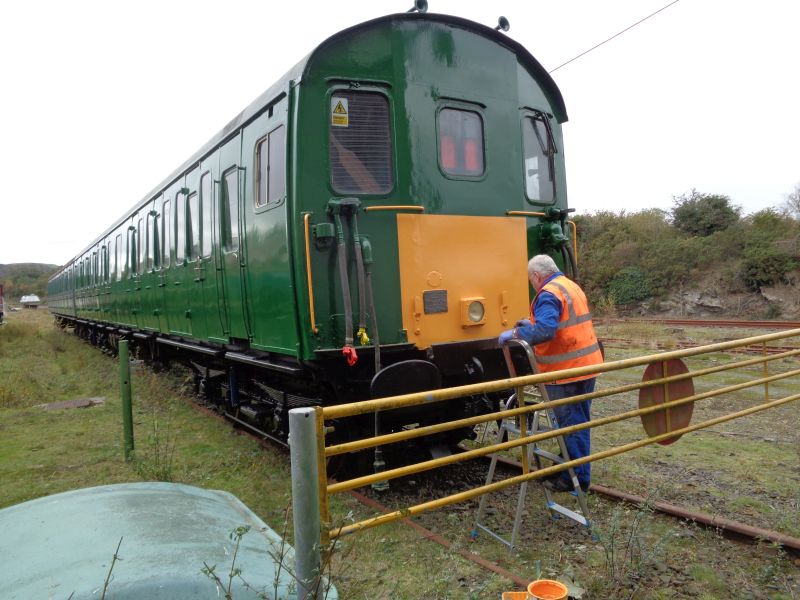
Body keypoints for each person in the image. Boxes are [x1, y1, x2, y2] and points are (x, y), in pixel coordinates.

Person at [498, 254, 603, 493]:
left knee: (570, 424)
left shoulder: (547, 293)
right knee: (578, 420)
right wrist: (530, 324)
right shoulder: (569, 286)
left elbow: (546, 331)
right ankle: (570, 465)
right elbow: (561, 321)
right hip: (586, 365)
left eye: (530, 279)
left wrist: (515, 335)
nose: (532, 284)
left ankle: (575, 479)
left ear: (536, 276)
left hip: (566, 371)